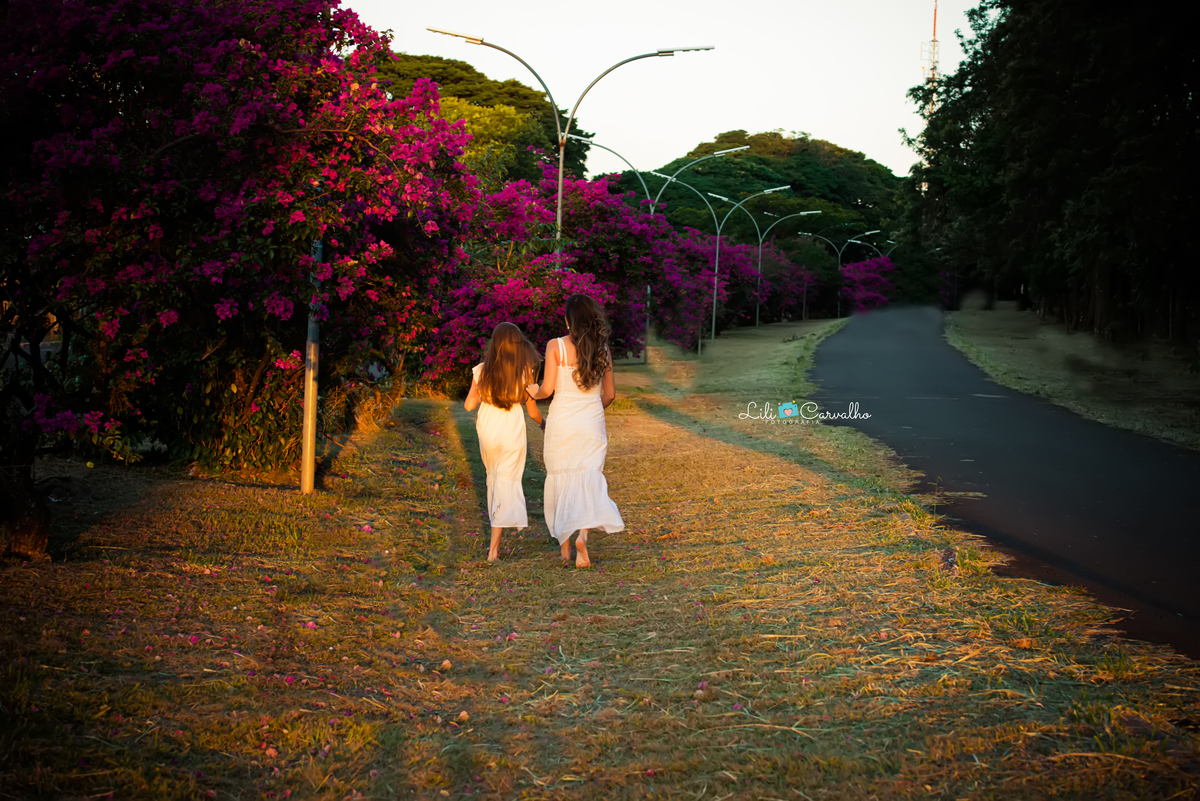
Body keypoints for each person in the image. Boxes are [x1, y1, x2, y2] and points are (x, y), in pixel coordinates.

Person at [527, 294, 624, 568]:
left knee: (561, 478)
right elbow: (611, 394)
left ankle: (565, 550)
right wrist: (593, 409)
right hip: (591, 422)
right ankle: (583, 535)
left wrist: (533, 391)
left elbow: (547, 390)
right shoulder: (603, 349)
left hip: (562, 423)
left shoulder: (555, 345)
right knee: (588, 478)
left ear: (569, 319)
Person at [464, 322, 544, 562]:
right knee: (505, 481)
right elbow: (532, 411)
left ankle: (496, 541)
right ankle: (493, 550)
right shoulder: (525, 371)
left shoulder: (481, 370)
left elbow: (468, 405)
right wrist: (545, 424)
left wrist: (482, 394)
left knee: (494, 479)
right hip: (511, 427)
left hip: (488, 428)